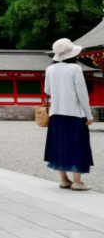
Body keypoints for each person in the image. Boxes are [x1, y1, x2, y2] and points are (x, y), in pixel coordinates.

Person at [44, 38, 94, 191]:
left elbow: (47, 90)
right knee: (78, 145)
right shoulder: (75, 69)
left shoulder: (50, 69)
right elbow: (82, 94)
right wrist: (89, 115)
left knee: (60, 145)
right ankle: (77, 182)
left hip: (56, 113)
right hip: (75, 114)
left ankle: (64, 179)